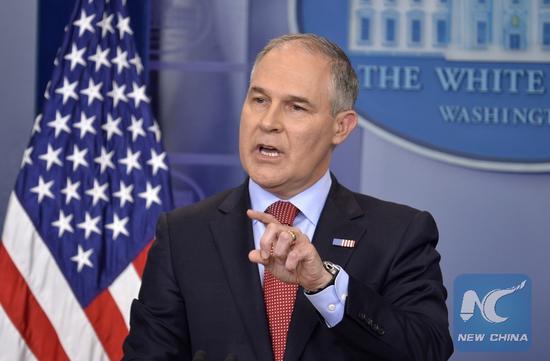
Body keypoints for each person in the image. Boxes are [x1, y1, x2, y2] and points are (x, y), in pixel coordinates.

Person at [122, 33, 453, 361]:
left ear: (341, 127)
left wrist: (324, 286)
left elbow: (427, 351)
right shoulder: (183, 234)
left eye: (296, 107)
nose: (268, 122)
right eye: (259, 100)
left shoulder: (399, 233)